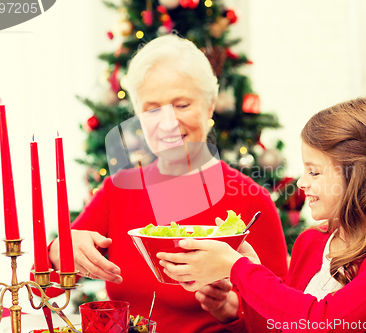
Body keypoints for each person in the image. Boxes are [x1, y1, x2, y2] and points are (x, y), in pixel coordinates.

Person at [46, 34, 288, 333]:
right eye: (152, 110)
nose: (168, 122)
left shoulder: (251, 199)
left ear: (210, 107)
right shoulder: (117, 190)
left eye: (183, 104)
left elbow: (282, 318)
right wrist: (58, 252)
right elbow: (44, 294)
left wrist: (232, 311)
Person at [157, 97, 366, 332]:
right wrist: (235, 299)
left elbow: (322, 321)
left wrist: (238, 268)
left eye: (314, 171)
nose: (301, 183)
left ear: (361, 177)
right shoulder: (311, 242)